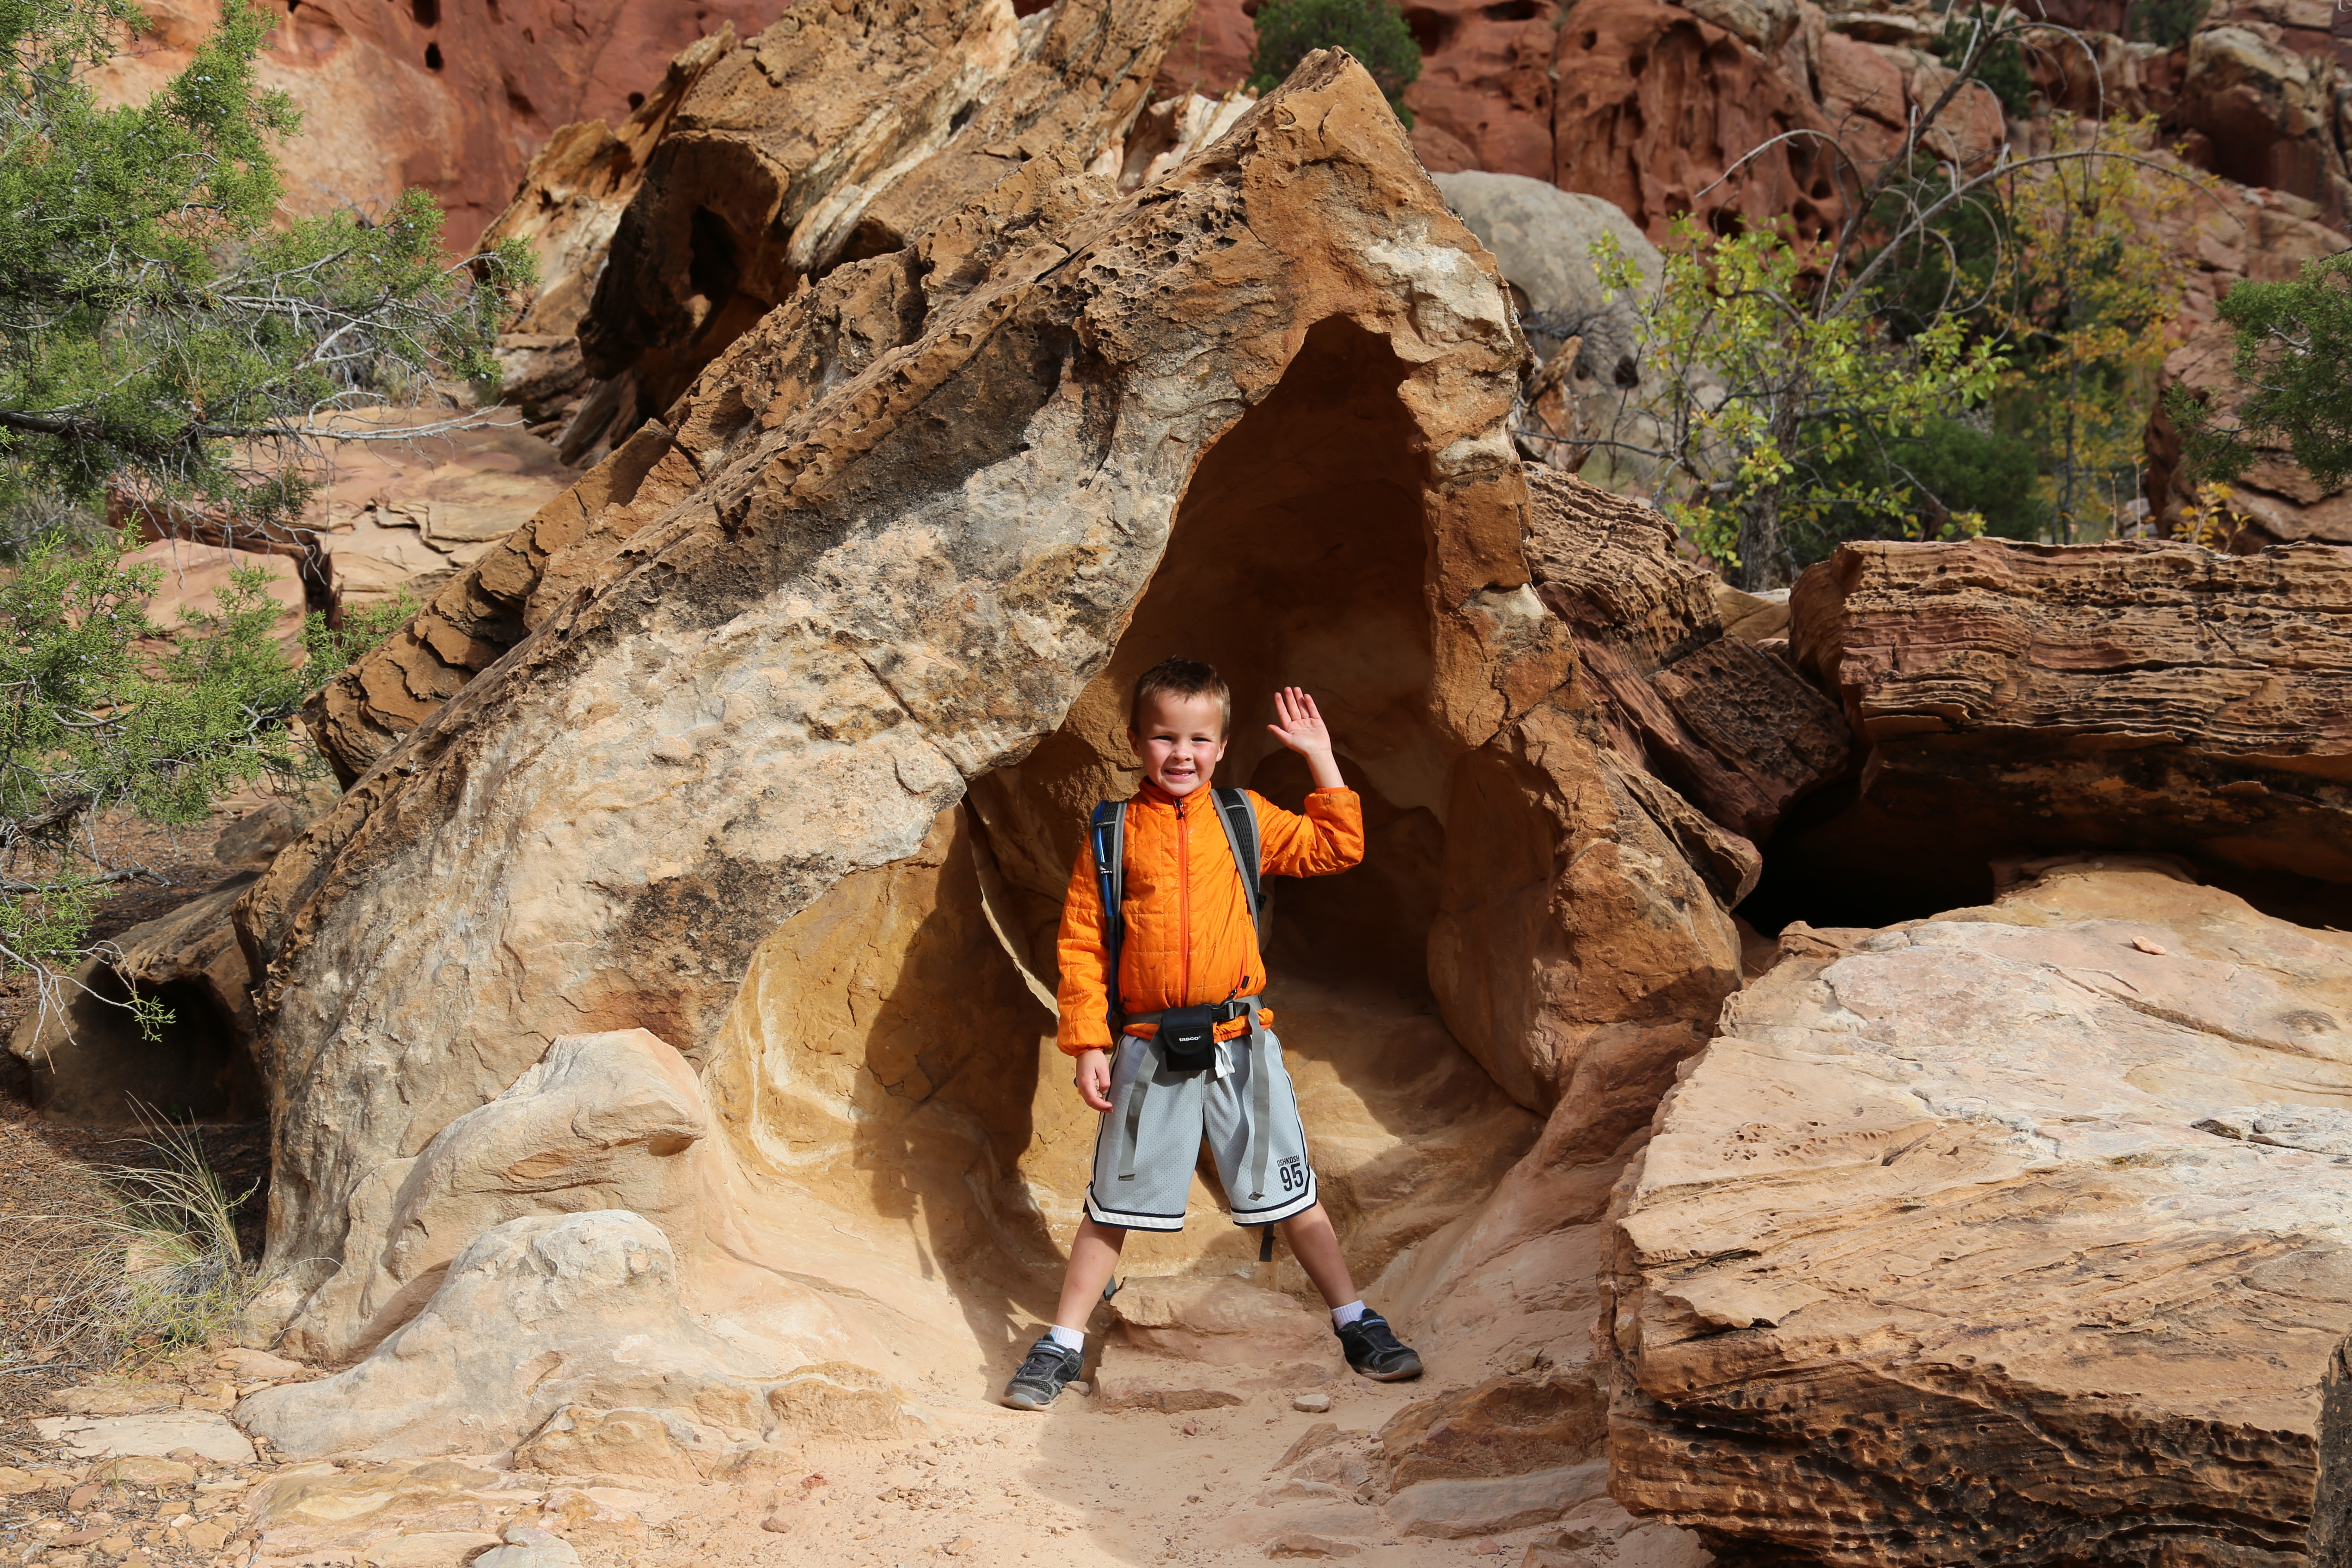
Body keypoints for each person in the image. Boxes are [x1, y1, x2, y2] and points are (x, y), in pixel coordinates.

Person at [998, 656, 1424, 1411]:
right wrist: (1089, 1043)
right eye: (1165, 738)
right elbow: (1083, 946)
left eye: (1199, 739)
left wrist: (1320, 758)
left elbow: (1337, 848)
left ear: (1222, 746)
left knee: (1293, 1192)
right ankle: (1061, 1342)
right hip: (1147, 1042)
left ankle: (1355, 1321)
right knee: (1112, 1202)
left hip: (1239, 1041)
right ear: (1135, 740)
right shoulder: (1113, 831)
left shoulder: (1244, 816)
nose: (1182, 754)